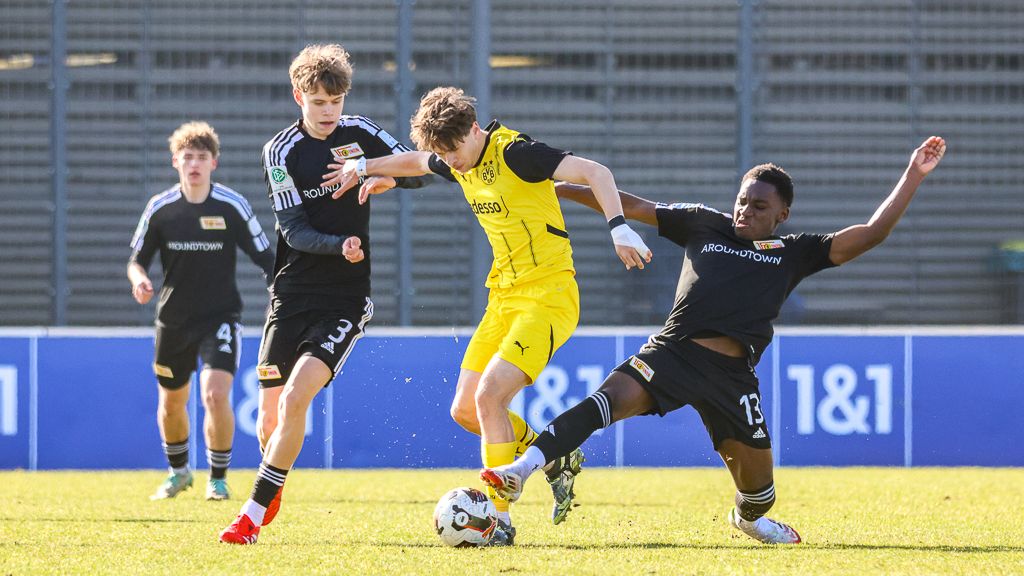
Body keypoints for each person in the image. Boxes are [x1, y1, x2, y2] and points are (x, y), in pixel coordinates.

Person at [481, 136, 947, 545]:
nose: (745, 210)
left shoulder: (795, 252)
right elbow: (633, 204)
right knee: (605, 401)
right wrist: (554, 188)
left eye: (759, 207)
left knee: (760, 496)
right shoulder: (705, 223)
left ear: (782, 214)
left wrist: (912, 174)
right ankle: (518, 473)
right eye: (743, 200)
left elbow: (870, 234)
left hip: (732, 379)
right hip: (672, 353)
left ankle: (747, 520)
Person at [323, 86, 653, 545]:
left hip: (548, 296)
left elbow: (596, 172)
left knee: (489, 397)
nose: (451, 162)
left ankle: (500, 519)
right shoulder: (454, 156)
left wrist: (619, 229)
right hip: (502, 298)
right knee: (465, 408)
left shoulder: (517, 153)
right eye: (443, 153)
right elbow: (417, 163)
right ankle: (552, 457)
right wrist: (368, 168)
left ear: (474, 130)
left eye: (454, 150)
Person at [218, 44, 430, 545]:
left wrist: (377, 176)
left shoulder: (360, 133)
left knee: (297, 397)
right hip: (290, 294)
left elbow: (421, 167)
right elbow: (292, 231)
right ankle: (275, 480)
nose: (328, 112)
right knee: (270, 418)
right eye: (317, 102)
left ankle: (248, 515)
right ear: (299, 96)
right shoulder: (280, 151)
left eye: (335, 101)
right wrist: (341, 244)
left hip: (345, 297)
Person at [128, 121, 275, 501]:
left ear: (214, 163)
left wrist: (281, 289)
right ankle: (179, 473)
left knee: (214, 394)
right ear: (175, 161)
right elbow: (136, 261)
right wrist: (139, 279)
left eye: (202, 158)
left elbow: (265, 256)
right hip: (173, 320)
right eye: (188, 157)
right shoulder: (160, 209)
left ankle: (218, 478)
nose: (194, 164)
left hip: (220, 317)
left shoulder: (231, 205)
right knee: (171, 401)